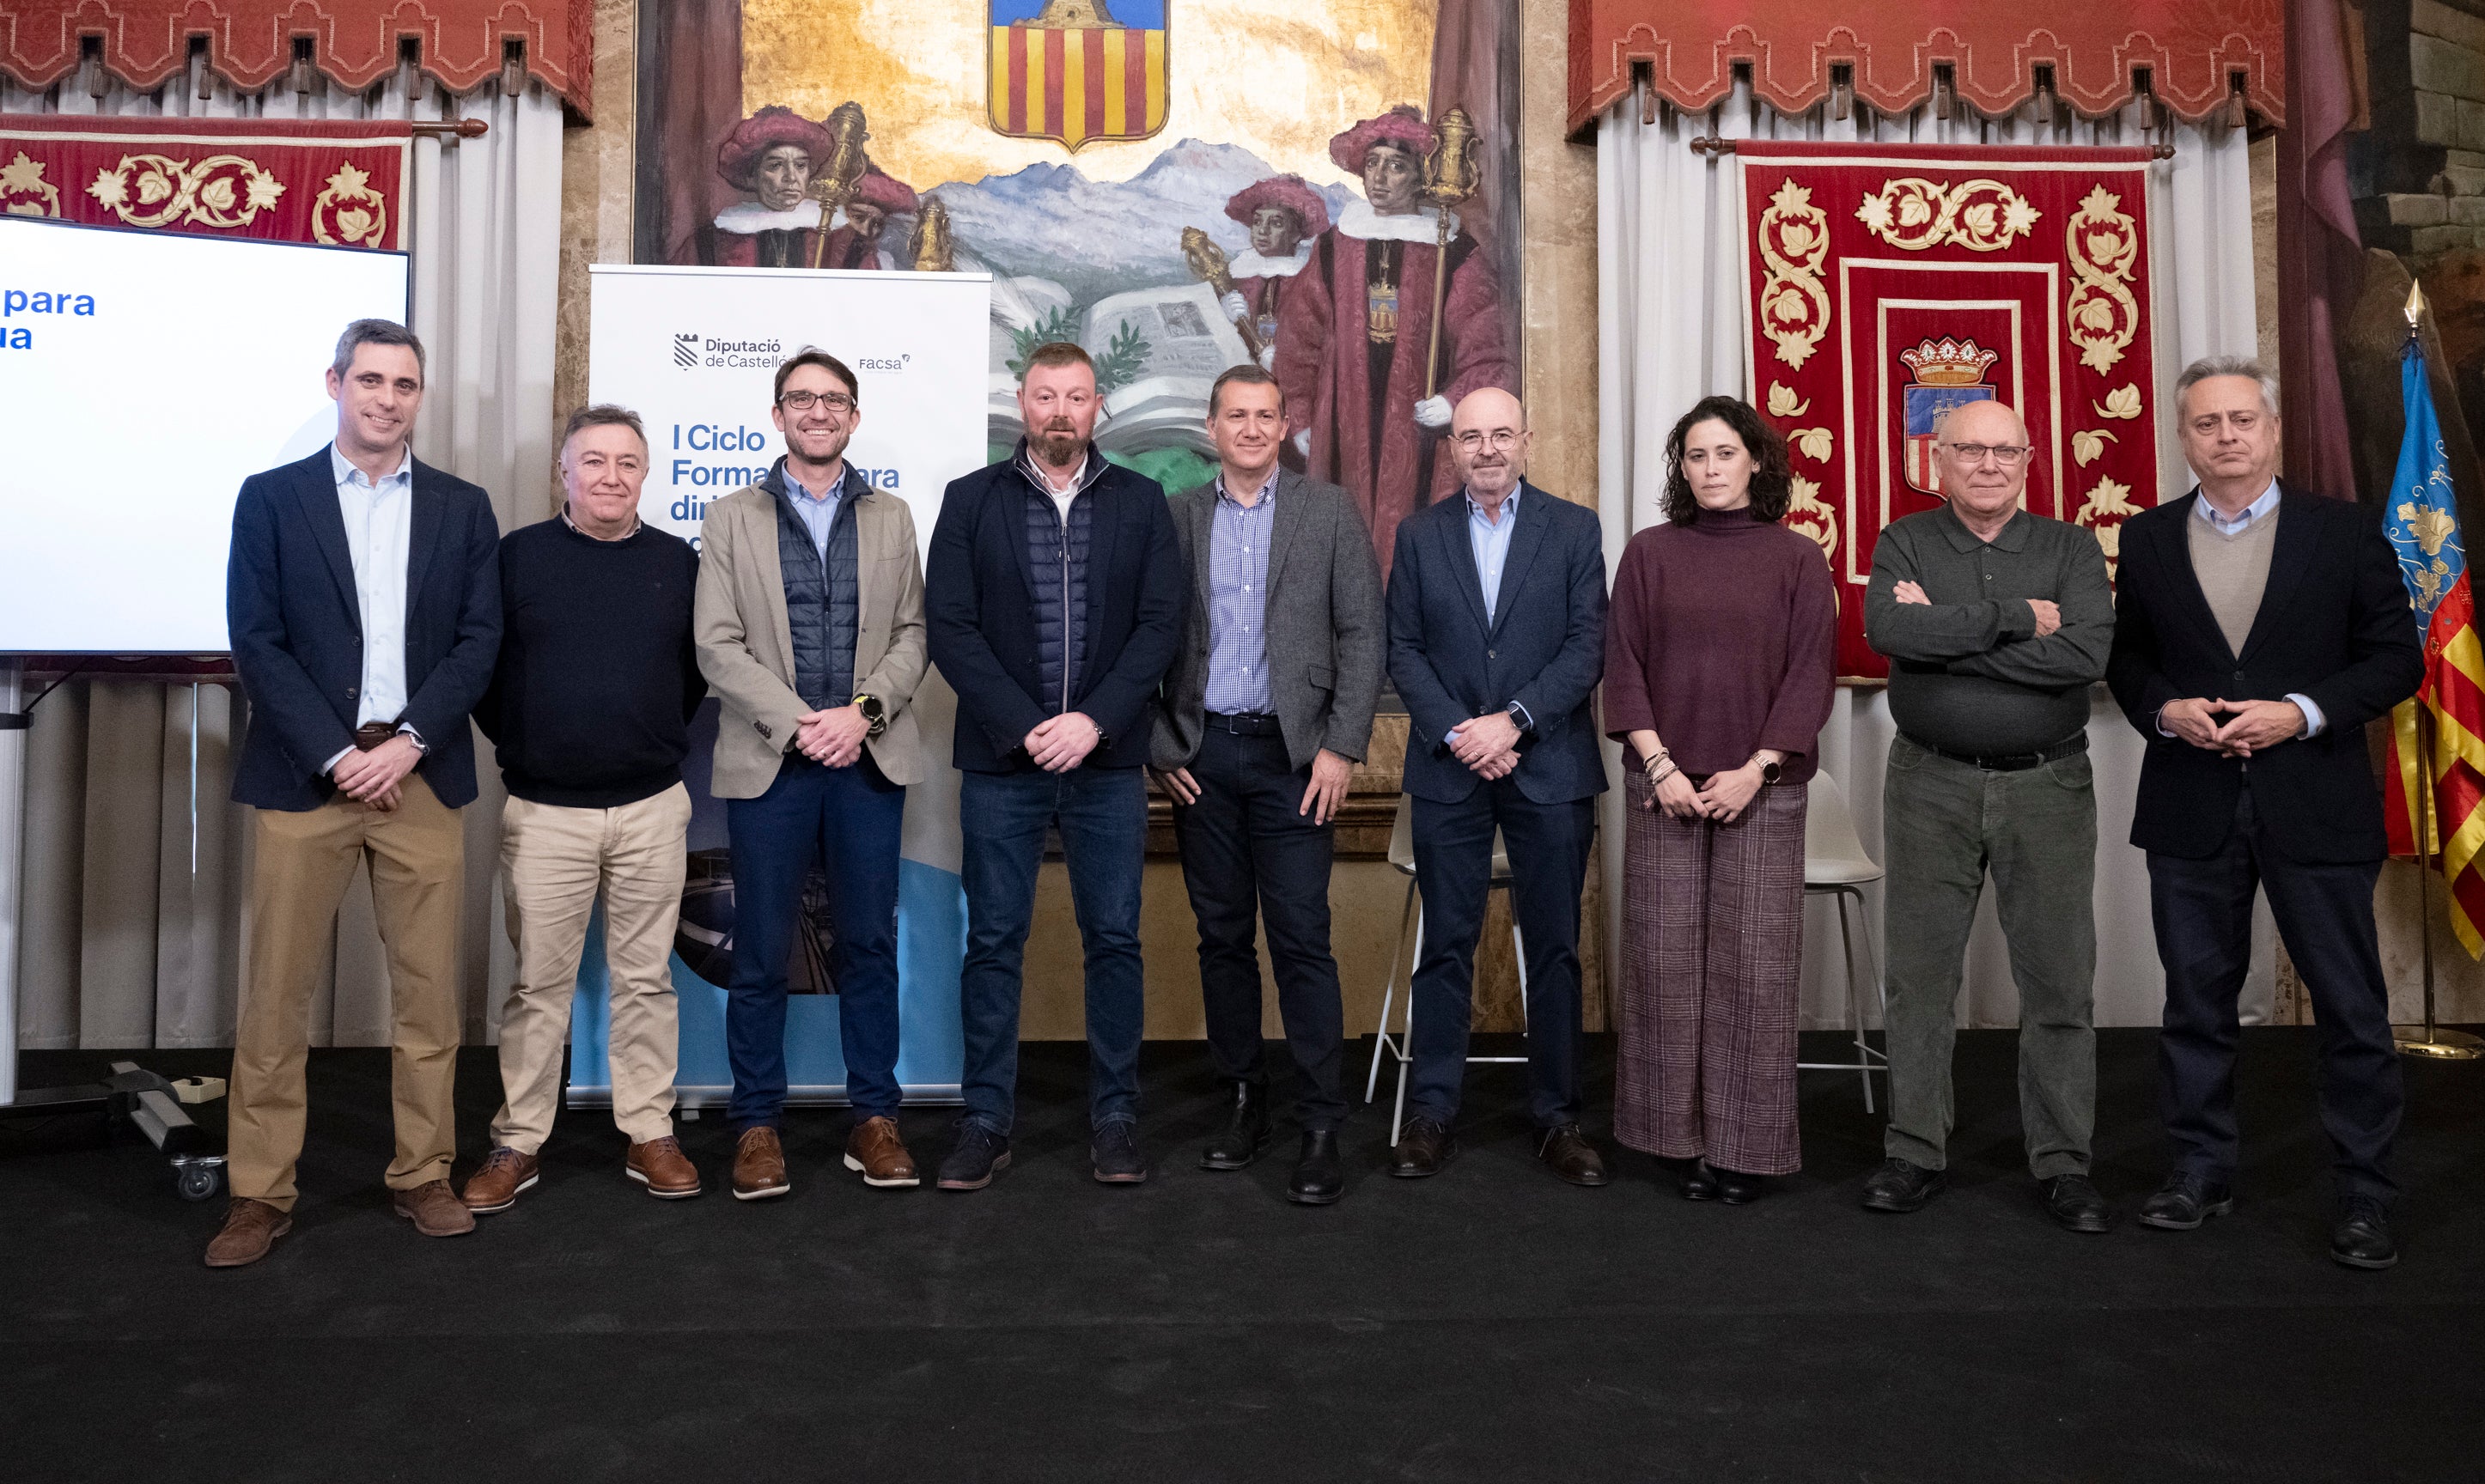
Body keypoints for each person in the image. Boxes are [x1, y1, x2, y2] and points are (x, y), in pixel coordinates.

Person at [2106, 356, 2424, 1269]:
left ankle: (2364, 1194)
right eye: (2206, 424)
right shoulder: (2148, 538)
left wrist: (2301, 712)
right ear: (2183, 437)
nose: (2227, 436)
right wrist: (2163, 710)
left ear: (2273, 429)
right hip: (2190, 805)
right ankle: (2199, 1171)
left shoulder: (2345, 532)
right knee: (2194, 1004)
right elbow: (2130, 664)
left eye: (2242, 419)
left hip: (2314, 800)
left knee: (2351, 1008)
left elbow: (2394, 661)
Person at [208, 319, 502, 1267]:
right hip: (308, 778)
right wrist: (340, 756)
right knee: (275, 1001)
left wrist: (408, 741)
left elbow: (478, 642)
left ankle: (422, 1173)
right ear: (335, 383)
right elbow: (258, 643)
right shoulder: (271, 500)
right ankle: (259, 1193)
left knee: (428, 1000)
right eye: (370, 379)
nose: (386, 398)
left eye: (404, 384)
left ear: (421, 396)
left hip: (419, 775)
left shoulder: (462, 508)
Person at [926, 341, 1184, 1190]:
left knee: (1113, 939)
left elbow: (1158, 628)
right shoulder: (971, 501)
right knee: (994, 942)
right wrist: (1029, 726)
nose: (1060, 412)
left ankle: (1114, 1116)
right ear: (1021, 402)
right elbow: (951, 628)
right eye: (1045, 397)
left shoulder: (1143, 504)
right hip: (1005, 762)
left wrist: (1092, 723)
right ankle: (986, 1120)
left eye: (1076, 397)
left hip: (1106, 763)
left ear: (1097, 407)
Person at [1859, 398, 2117, 1232]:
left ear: (2029, 458)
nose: (1989, 465)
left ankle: (2062, 1163)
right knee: (1919, 976)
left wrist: (1947, 636)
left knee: (2057, 977)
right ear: (1938, 459)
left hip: (2046, 787)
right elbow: (1888, 629)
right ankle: (1914, 1150)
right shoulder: (1904, 540)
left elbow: (2086, 652)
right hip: (1928, 782)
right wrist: (2013, 621)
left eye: (2006, 451)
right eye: (1970, 450)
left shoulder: (2069, 547)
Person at [458, 404, 707, 1214]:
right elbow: (485, 679)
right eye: (592, 461)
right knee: (538, 987)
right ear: (563, 472)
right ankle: (518, 1139)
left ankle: (648, 1130)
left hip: (650, 807)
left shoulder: (680, 564)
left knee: (645, 980)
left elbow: (695, 678)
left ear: (645, 474)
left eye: (626, 463)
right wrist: (541, 742)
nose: (610, 477)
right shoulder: (517, 559)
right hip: (546, 811)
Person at [694, 349, 931, 1199]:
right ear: (778, 413)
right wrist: (801, 724)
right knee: (760, 950)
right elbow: (715, 643)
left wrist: (859, 717)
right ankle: (757, 1124)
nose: (818, 412)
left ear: (855, 417)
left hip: (866, 760)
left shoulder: (894, 517)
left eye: (834, 400)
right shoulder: (731, 517)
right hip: (773, 764)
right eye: (802, 399)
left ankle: (874, 1117)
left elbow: (913, 634)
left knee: (868, 944)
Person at [1148, 364, 1385, 1205]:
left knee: (1300, 938)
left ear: (1284, 428)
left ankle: (1320, 1120)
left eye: (1265, 416)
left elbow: (1363, 635)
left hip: (1296, 763)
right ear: (1210, 428)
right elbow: (1143, 637)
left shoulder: (1327, 513)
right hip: (1202, 762)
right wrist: (1158, 742)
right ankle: (1244, 1100)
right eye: (1235, 415)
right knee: (1220, 939)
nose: (1250, 429)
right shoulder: (1174, 519)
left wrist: (1339, 749)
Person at [1602, 397, 1836, 1204]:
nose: (1708, 469)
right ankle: (1670, 1139)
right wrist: (1660, 766)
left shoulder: (1797, 558)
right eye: (1695, 456)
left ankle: (1745, 1148)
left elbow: (1811, 674)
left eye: (1724, 454)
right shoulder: (1647, 553)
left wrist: (1757, 769)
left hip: (1761, 791)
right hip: (1660, 784)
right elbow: (1622, 665)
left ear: (1756, 463)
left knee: (1753, 973)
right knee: (1664, 965)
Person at [1383, 386, 1609, 1184]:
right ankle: (1432, 1113)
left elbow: (1587, 648)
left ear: (1527, 441)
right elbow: (1402, 649)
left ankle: (1558, 1118)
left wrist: (1510, 722)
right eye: (1470, 436)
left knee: (1553, 949)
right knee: (1444, 947)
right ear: (1452, 450)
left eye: (1500, 434)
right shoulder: (1417, 535)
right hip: (1450, 768)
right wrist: (1461, 731)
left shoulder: (1575, 529)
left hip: (1547, 766)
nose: (1485, 448)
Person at [1276, 105, 1515, 582]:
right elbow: (1297, 344)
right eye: (1372, 164)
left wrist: (1453, 401)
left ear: (1421, 174)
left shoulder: (1454, 253)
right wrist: (1301, 417)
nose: (1379, 177)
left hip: (1422, 436)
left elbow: (1486, 349)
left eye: (1396, 165)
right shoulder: (1332, 249)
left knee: (1421, 560)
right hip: (1342, 425)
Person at [1215, 175, 1329, 372]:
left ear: (1296, 234)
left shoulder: (1313, 278)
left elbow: (1324, 339)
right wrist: (1224, 316)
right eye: (1257, 222)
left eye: (1276, 223)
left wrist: (1286, 356)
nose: (1262, 231)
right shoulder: (1237, 274)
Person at [711, 106, 834, 270]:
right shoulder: (712, 241)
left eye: (800, 165)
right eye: (776, 165)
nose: (791, 177)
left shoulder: (837, 239)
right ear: (752, 175)